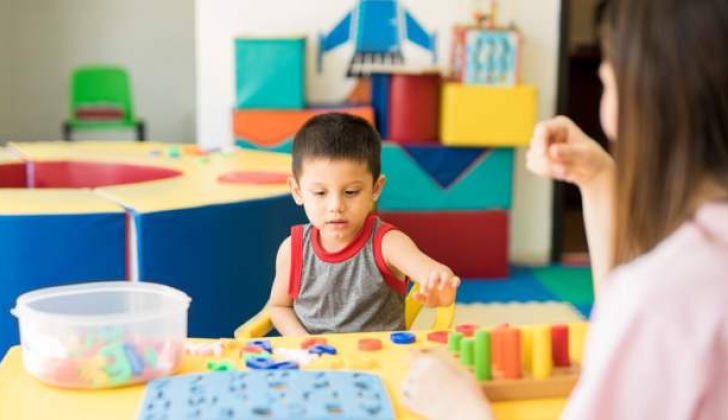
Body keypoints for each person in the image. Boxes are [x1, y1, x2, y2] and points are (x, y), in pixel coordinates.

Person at [400, 0, 728, 418]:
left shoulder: (661, 300)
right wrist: (598, 179)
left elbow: (641, 311)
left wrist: (461, 408)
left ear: (643, 100)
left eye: (607, 83)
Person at [268, 112, 461, 336]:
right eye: (320, 193)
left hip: (380, 356)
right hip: (313, 356)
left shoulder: (387, 244)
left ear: (375, 189)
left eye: (351, 192)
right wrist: (303, 341)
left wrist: (440, 283)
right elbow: (279, 307)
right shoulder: (292, 250)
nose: (336, 206)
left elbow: (428, 269)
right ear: (297, 191)